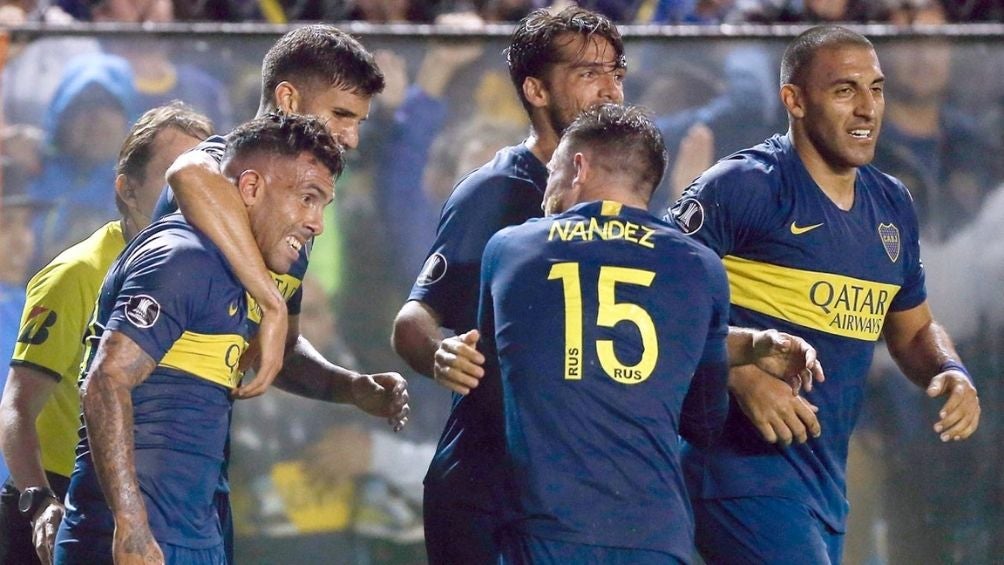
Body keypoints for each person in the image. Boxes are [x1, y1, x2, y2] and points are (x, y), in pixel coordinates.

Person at [668, 25, 981, 564]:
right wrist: (737, 374)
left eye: (876, 89)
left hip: (823, 479)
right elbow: (657, 301)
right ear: (794, 99)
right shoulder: (744, 186)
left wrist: (947, 369)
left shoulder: (892, 204)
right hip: (735, 468)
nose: (867, 109)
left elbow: (911, 329)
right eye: (845, 90)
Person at [52, 114, 407, 564]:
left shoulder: (240, 270)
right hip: (133, 539)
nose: (316, 223)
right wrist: (131, 525)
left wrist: (351, 388)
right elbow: (106, 381)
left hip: (193, 532)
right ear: (252, 188)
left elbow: (277, 359)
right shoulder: (183, 257)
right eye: (306, 199)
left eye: (323, 205)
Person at [479, 103, 820, 564]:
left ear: (578, 166)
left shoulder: (510, 249)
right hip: (654, 535)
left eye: (553, 170)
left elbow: (489, 386)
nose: (546, 190)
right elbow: (703, 420)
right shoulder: (699, 267)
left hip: (543, 530)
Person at [389, 7, 625, 563]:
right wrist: (441, 355)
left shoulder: (625, 191)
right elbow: (413, 320)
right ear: (536, 89)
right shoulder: (495, 189)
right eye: (589, 73)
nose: (611, 89)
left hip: (582, 489)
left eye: (616, 71)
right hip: (491, 488)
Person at [0, 102, 212, 565]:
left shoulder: (210, 272)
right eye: (173, 178)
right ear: (127, 190)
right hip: (67, 501)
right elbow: (17, 403)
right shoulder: (77, 274)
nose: (191, 192)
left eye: (204, 175)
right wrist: (38, 503)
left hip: (168, 502)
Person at [157, 23, 385, 400]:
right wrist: (270, 299)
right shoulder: (225, 166)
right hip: (148, 423)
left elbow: (282, 347)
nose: (351, 137)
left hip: (205, 431)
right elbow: (187, 173)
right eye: (341, 114)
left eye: (359, 122)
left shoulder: (295, 213)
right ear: (289, 100)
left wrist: (352, 388)